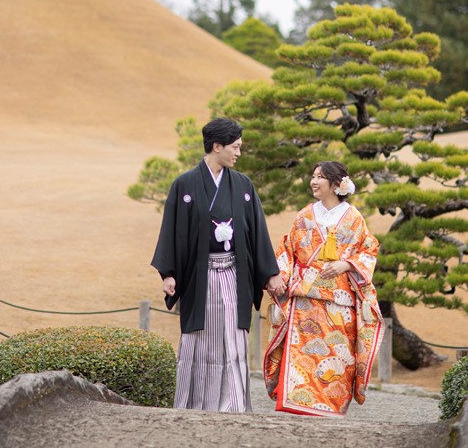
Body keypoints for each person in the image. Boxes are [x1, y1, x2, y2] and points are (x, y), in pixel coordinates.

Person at [151, 117, 282, 412]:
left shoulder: (243, 185)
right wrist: (169, 273)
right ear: (216, 146)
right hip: (200, 276)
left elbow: (257, 232)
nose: (238, 153)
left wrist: (269, 273)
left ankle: (233, 404)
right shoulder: (184, 184)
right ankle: (197, 403)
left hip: (235, 275)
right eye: (234, 147)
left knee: (233, 338)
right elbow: (171, 231)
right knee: (201, 339)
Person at [263, 161, 385, 417]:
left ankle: (331, 409)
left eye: (320, 177)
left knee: (337, 357)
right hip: (305, 299)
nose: (314, 181)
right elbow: (287, 250)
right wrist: (279, 276)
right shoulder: (305, 215)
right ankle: (298, 407)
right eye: (313, 175)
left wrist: (345, 264)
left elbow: (368, 249)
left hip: (340, 302)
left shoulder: (353, 218)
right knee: (302, 356)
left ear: (336, 184)